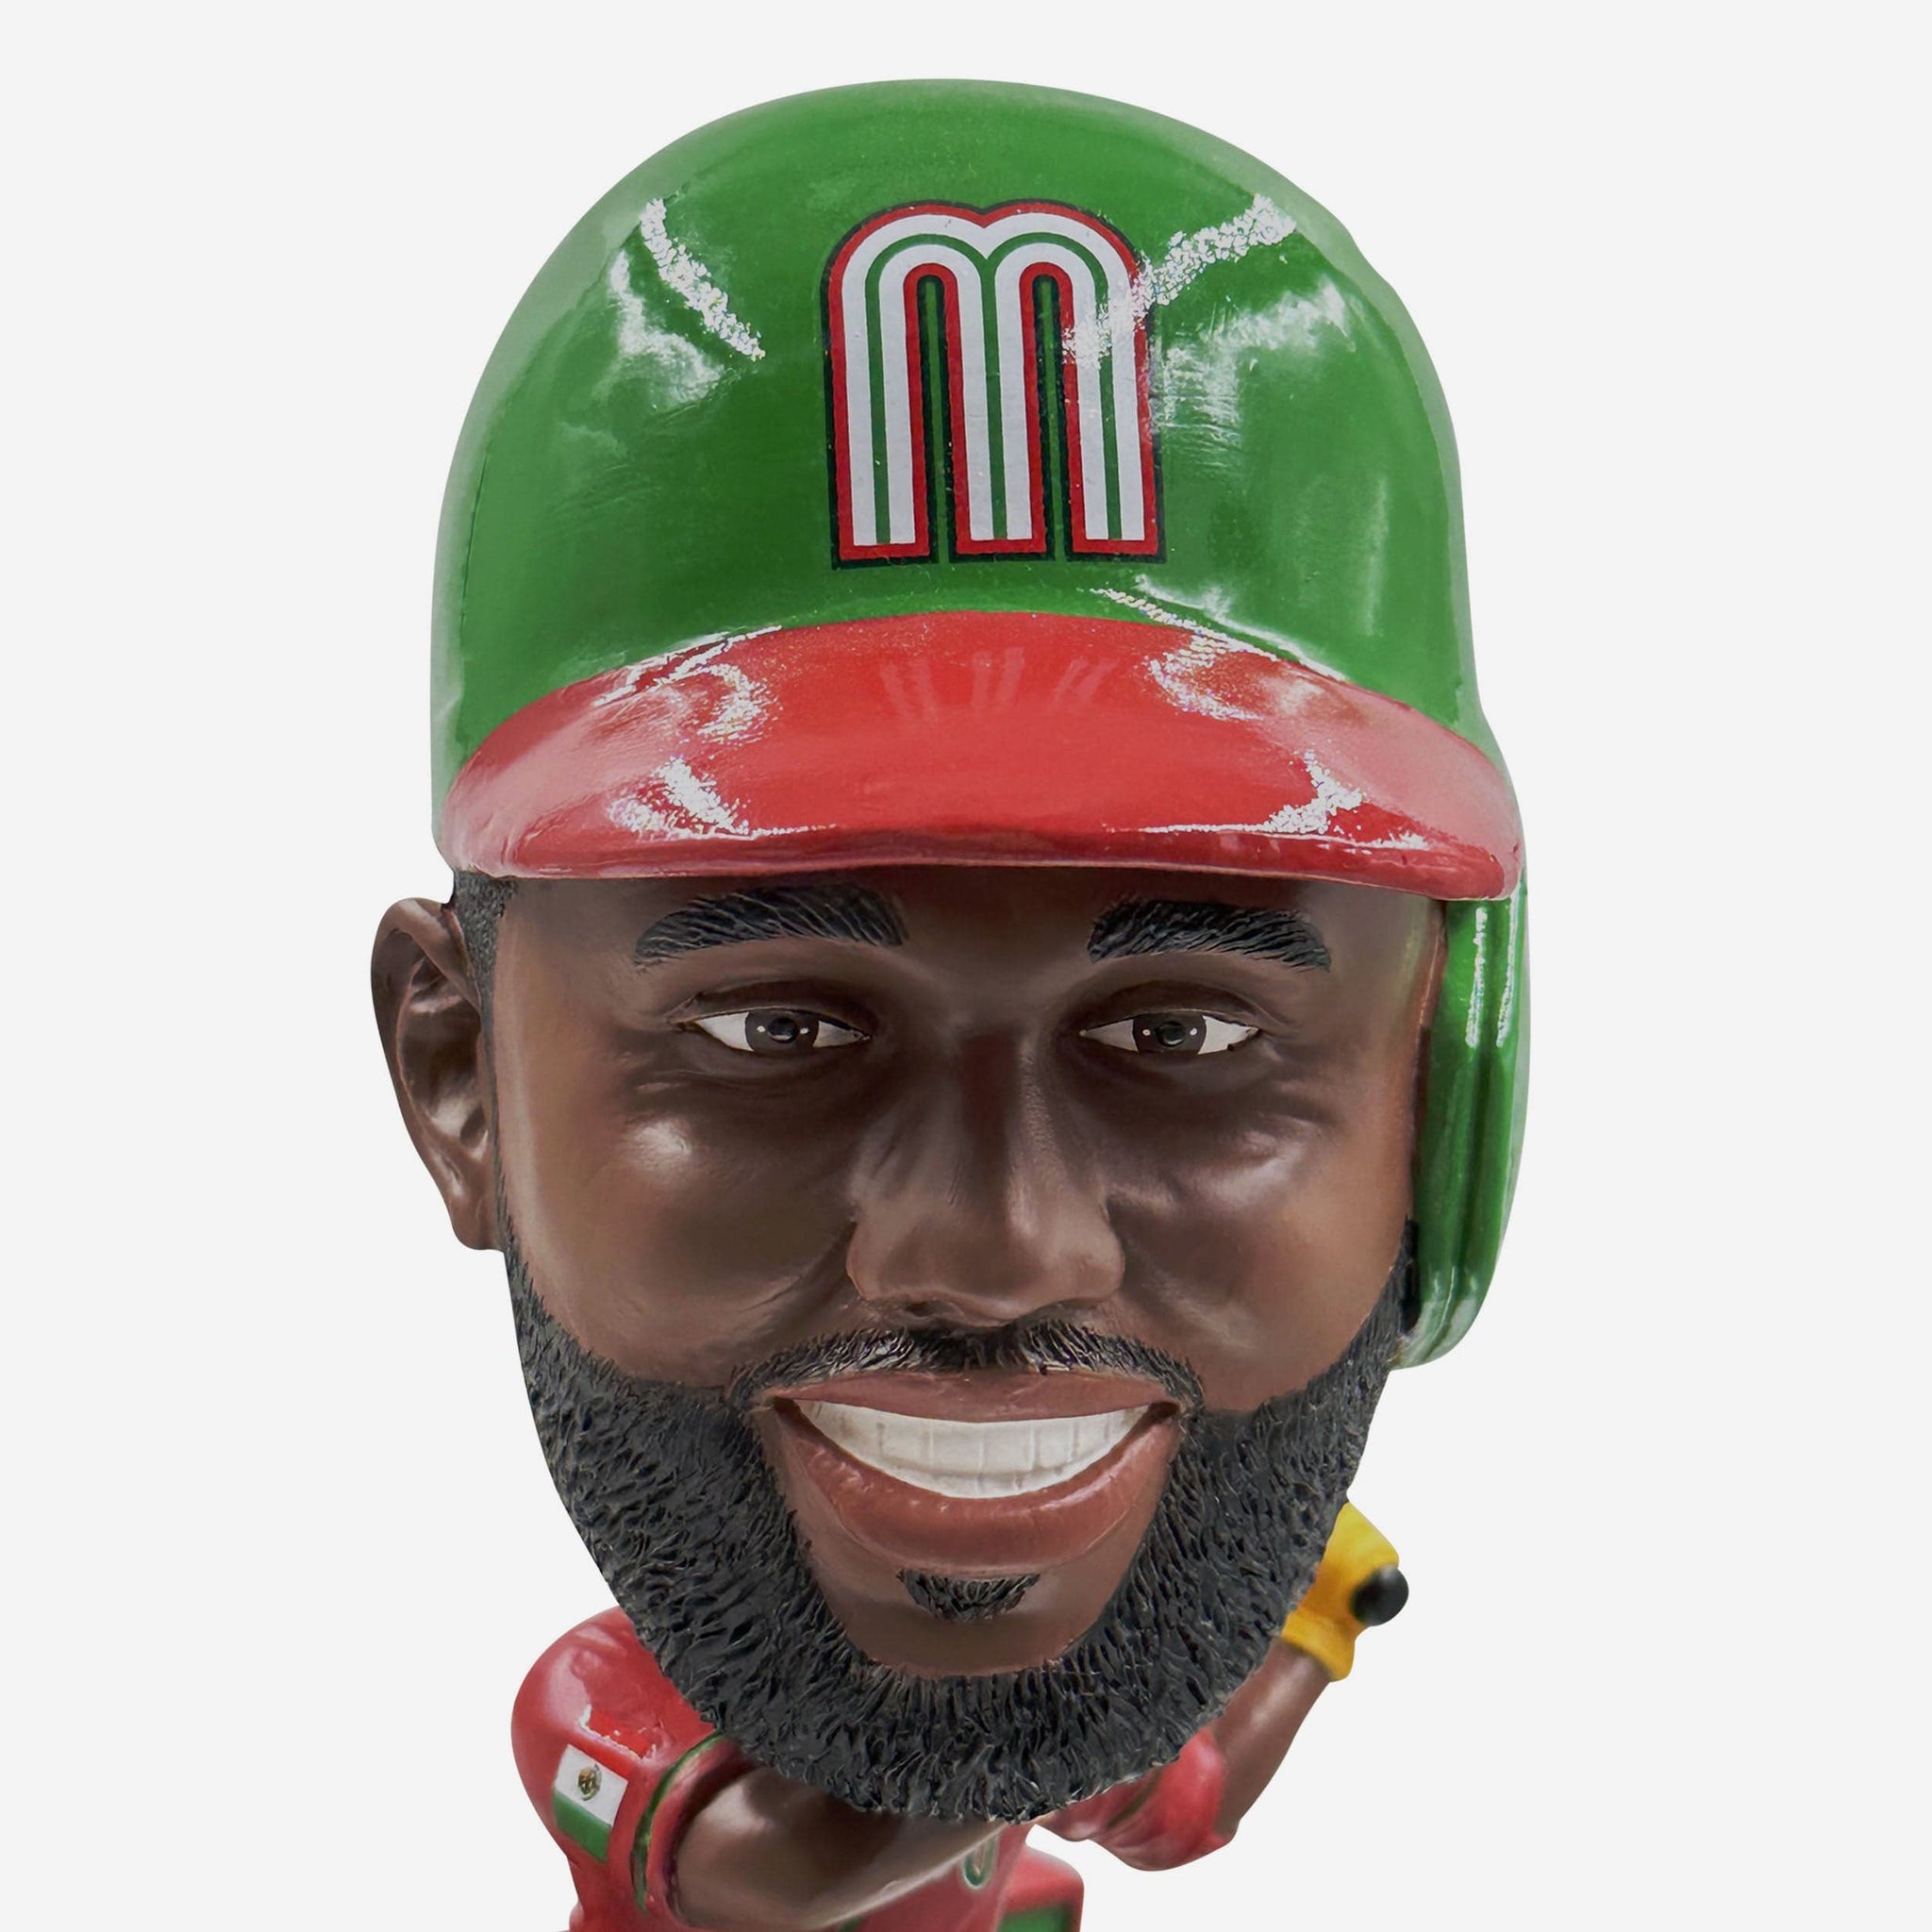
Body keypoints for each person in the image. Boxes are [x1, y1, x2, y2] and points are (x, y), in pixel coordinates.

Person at [373, 79, 1525, 1932]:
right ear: (460, 1080)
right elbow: (772, 1876)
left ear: (1440, 1115)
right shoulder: (585, 1703)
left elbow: (1184, 1811)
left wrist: (1308, 1625)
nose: (991, 1250)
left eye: (1183, 1034)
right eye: (774, 1032)